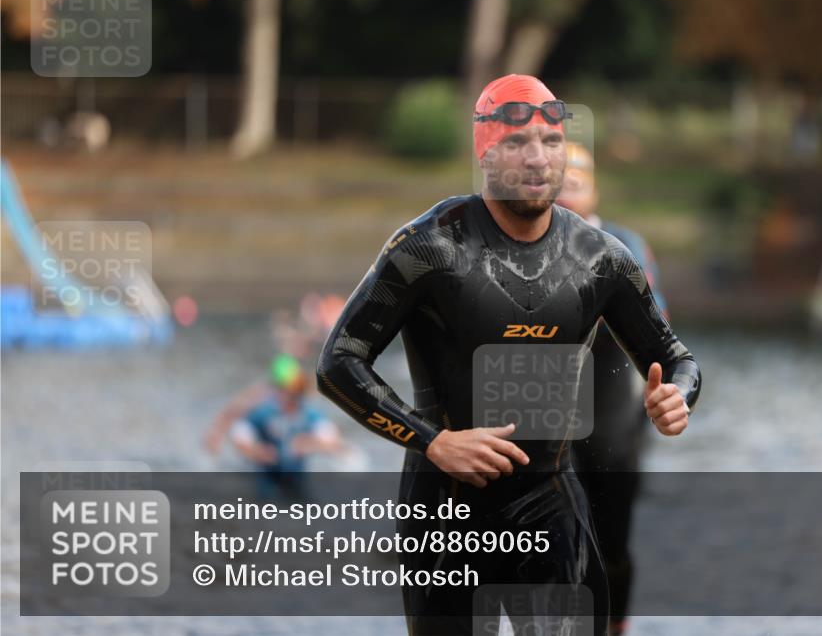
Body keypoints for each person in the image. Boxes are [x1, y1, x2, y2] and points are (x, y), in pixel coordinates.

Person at [316, 74, 701, 635]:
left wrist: (676, 397)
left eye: (551, 142)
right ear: (486, 153)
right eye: (518, 143)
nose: (538, 158)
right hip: (444, 507)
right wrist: (434, 442)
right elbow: (339, 361)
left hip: (550, 502)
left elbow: (677, 359)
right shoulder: (430, 247)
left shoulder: (600, 258)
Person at [556, 142, 667, 636]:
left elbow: (654, 322)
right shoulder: (521, 245)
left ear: (594, 188)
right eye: (558, 182)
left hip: (613, 401)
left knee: (612, 537)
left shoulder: (622, 243)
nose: (566, 192)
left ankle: (614, 624)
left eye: (576, 181)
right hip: (546, 403)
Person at [208, 353, 345, 499]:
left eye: (296, 392)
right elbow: (238, 427)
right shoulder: (262, 406)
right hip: (266, 476)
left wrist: (309, 444)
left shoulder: (306, 410)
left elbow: (332, 438)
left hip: (294, 477)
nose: (292, 396)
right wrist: (256, 450)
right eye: (287, 391)